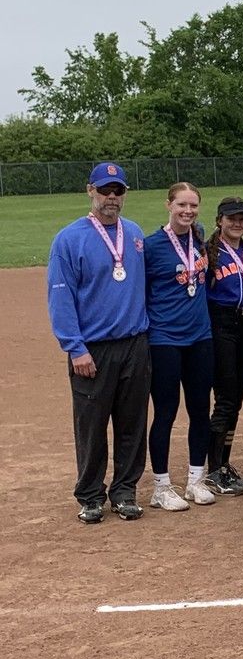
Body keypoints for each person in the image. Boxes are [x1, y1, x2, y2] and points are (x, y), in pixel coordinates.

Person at [47, 162, 151, 523]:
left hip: (135, 344)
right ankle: (90, 494)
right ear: (89, 190)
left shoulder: (135, 233)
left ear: (125, 195)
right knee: (91, 424)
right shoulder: (69, 238)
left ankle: (125, 490)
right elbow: (61, 299)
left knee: (132, 423)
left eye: (118, 191)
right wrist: (75, 347)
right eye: (104, 190)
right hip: (92, 349)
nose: (111, 197)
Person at [144, 182, 216, 511]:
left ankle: (195, 480)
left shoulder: (200, 238)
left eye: (193, 206)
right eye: (181, 205)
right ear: (168, 205)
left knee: (201, 410)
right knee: (166, 412)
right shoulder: (152, 246)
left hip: (200, 337)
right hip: (165, 340)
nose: (187, 211)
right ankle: (161, 485)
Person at [204, 197, 243, 496]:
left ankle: (223, 464)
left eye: (242, 218)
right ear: (219, 220)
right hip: (222, 325)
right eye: (231, 218)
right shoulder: (209, 253)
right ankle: (214, 468)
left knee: (235, 399)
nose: (237, 223)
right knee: (225, 399)